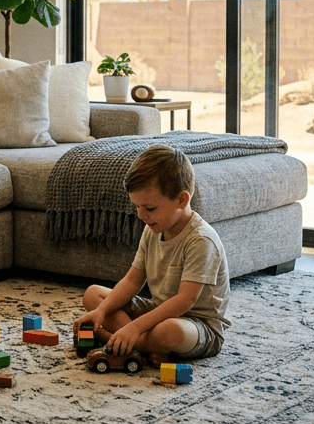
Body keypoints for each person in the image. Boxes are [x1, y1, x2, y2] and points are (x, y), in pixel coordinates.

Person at [71, 145, 230, 364]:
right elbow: (132, 280)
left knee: (170, 331)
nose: (141, 215)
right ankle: (144, 345)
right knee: (93, 295)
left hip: (197, 325)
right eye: (137, 206)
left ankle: (116, 339)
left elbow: (184, 301)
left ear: (181, 200)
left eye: (150, 208)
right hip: (158, 311)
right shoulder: (153, 228)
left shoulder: (201, 240)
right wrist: (102, 311)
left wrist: (134, 327)